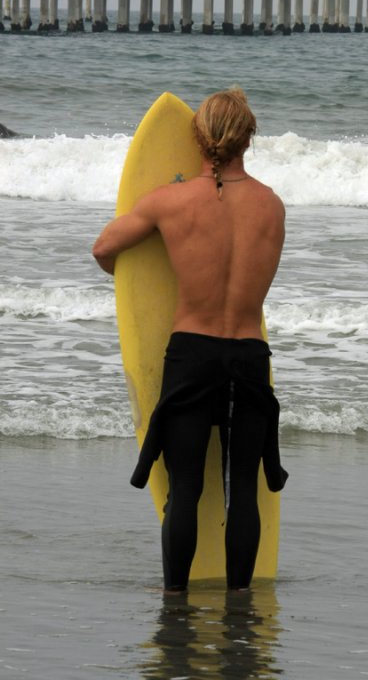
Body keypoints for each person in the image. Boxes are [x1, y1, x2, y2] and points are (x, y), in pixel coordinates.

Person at [92, 88, 288, 592]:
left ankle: (175, 600)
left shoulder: (168, 202)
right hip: (248, 354)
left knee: (185, 488)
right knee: (243, 487)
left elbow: (104, 250)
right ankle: (240, 600)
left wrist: (143, 274)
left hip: (192, 353)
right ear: (249, 137)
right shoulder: (271, 207)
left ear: (198, 137)